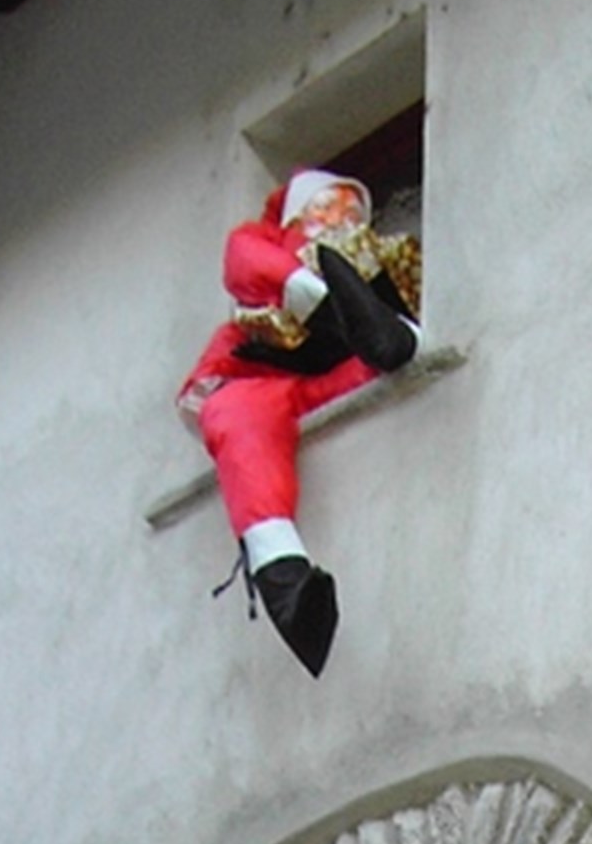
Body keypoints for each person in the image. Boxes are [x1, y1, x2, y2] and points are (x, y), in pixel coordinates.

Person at [178, 169, 421, 675]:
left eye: (351, 211)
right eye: (325, 206)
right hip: (276, 379)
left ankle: (390, 336)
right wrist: (311, 292)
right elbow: (246, 262)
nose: (339, 218)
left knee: (388, 345)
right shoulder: (260, 245)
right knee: (239, 417)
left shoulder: (386, 254)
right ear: (296, 215)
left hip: (344, 371)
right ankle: (281, 572)